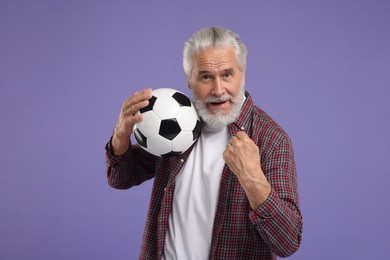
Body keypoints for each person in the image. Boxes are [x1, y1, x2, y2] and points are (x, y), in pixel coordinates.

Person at [105, 26, 303, 259]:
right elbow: (120, 178)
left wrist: (253, 178)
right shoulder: (173, 123)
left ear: (243, 73)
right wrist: (121, 135)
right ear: (190, 80)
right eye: (206, 77)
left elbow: (288, 242)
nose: (218, 90)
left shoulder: (270, 138)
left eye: (227, 74)